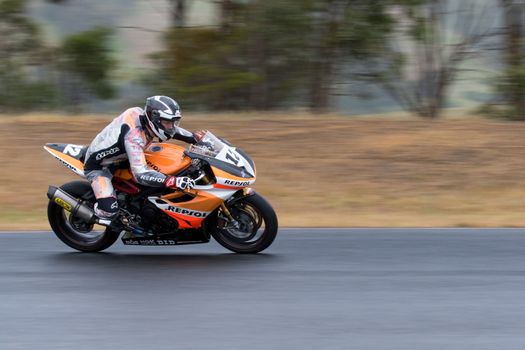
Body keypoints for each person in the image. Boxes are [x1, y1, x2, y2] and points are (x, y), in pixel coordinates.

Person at [83, 95, 201, 225]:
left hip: (123, 157)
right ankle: (89, 214)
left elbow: (171, 130)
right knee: (109, 211)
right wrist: (171, 180)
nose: (171, 127)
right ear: (154, 119)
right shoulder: (134, 137)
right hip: (100, 166)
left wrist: (195, 138)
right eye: (168, 122)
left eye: (173, 122)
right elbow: (140, 174)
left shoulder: (145, 118)